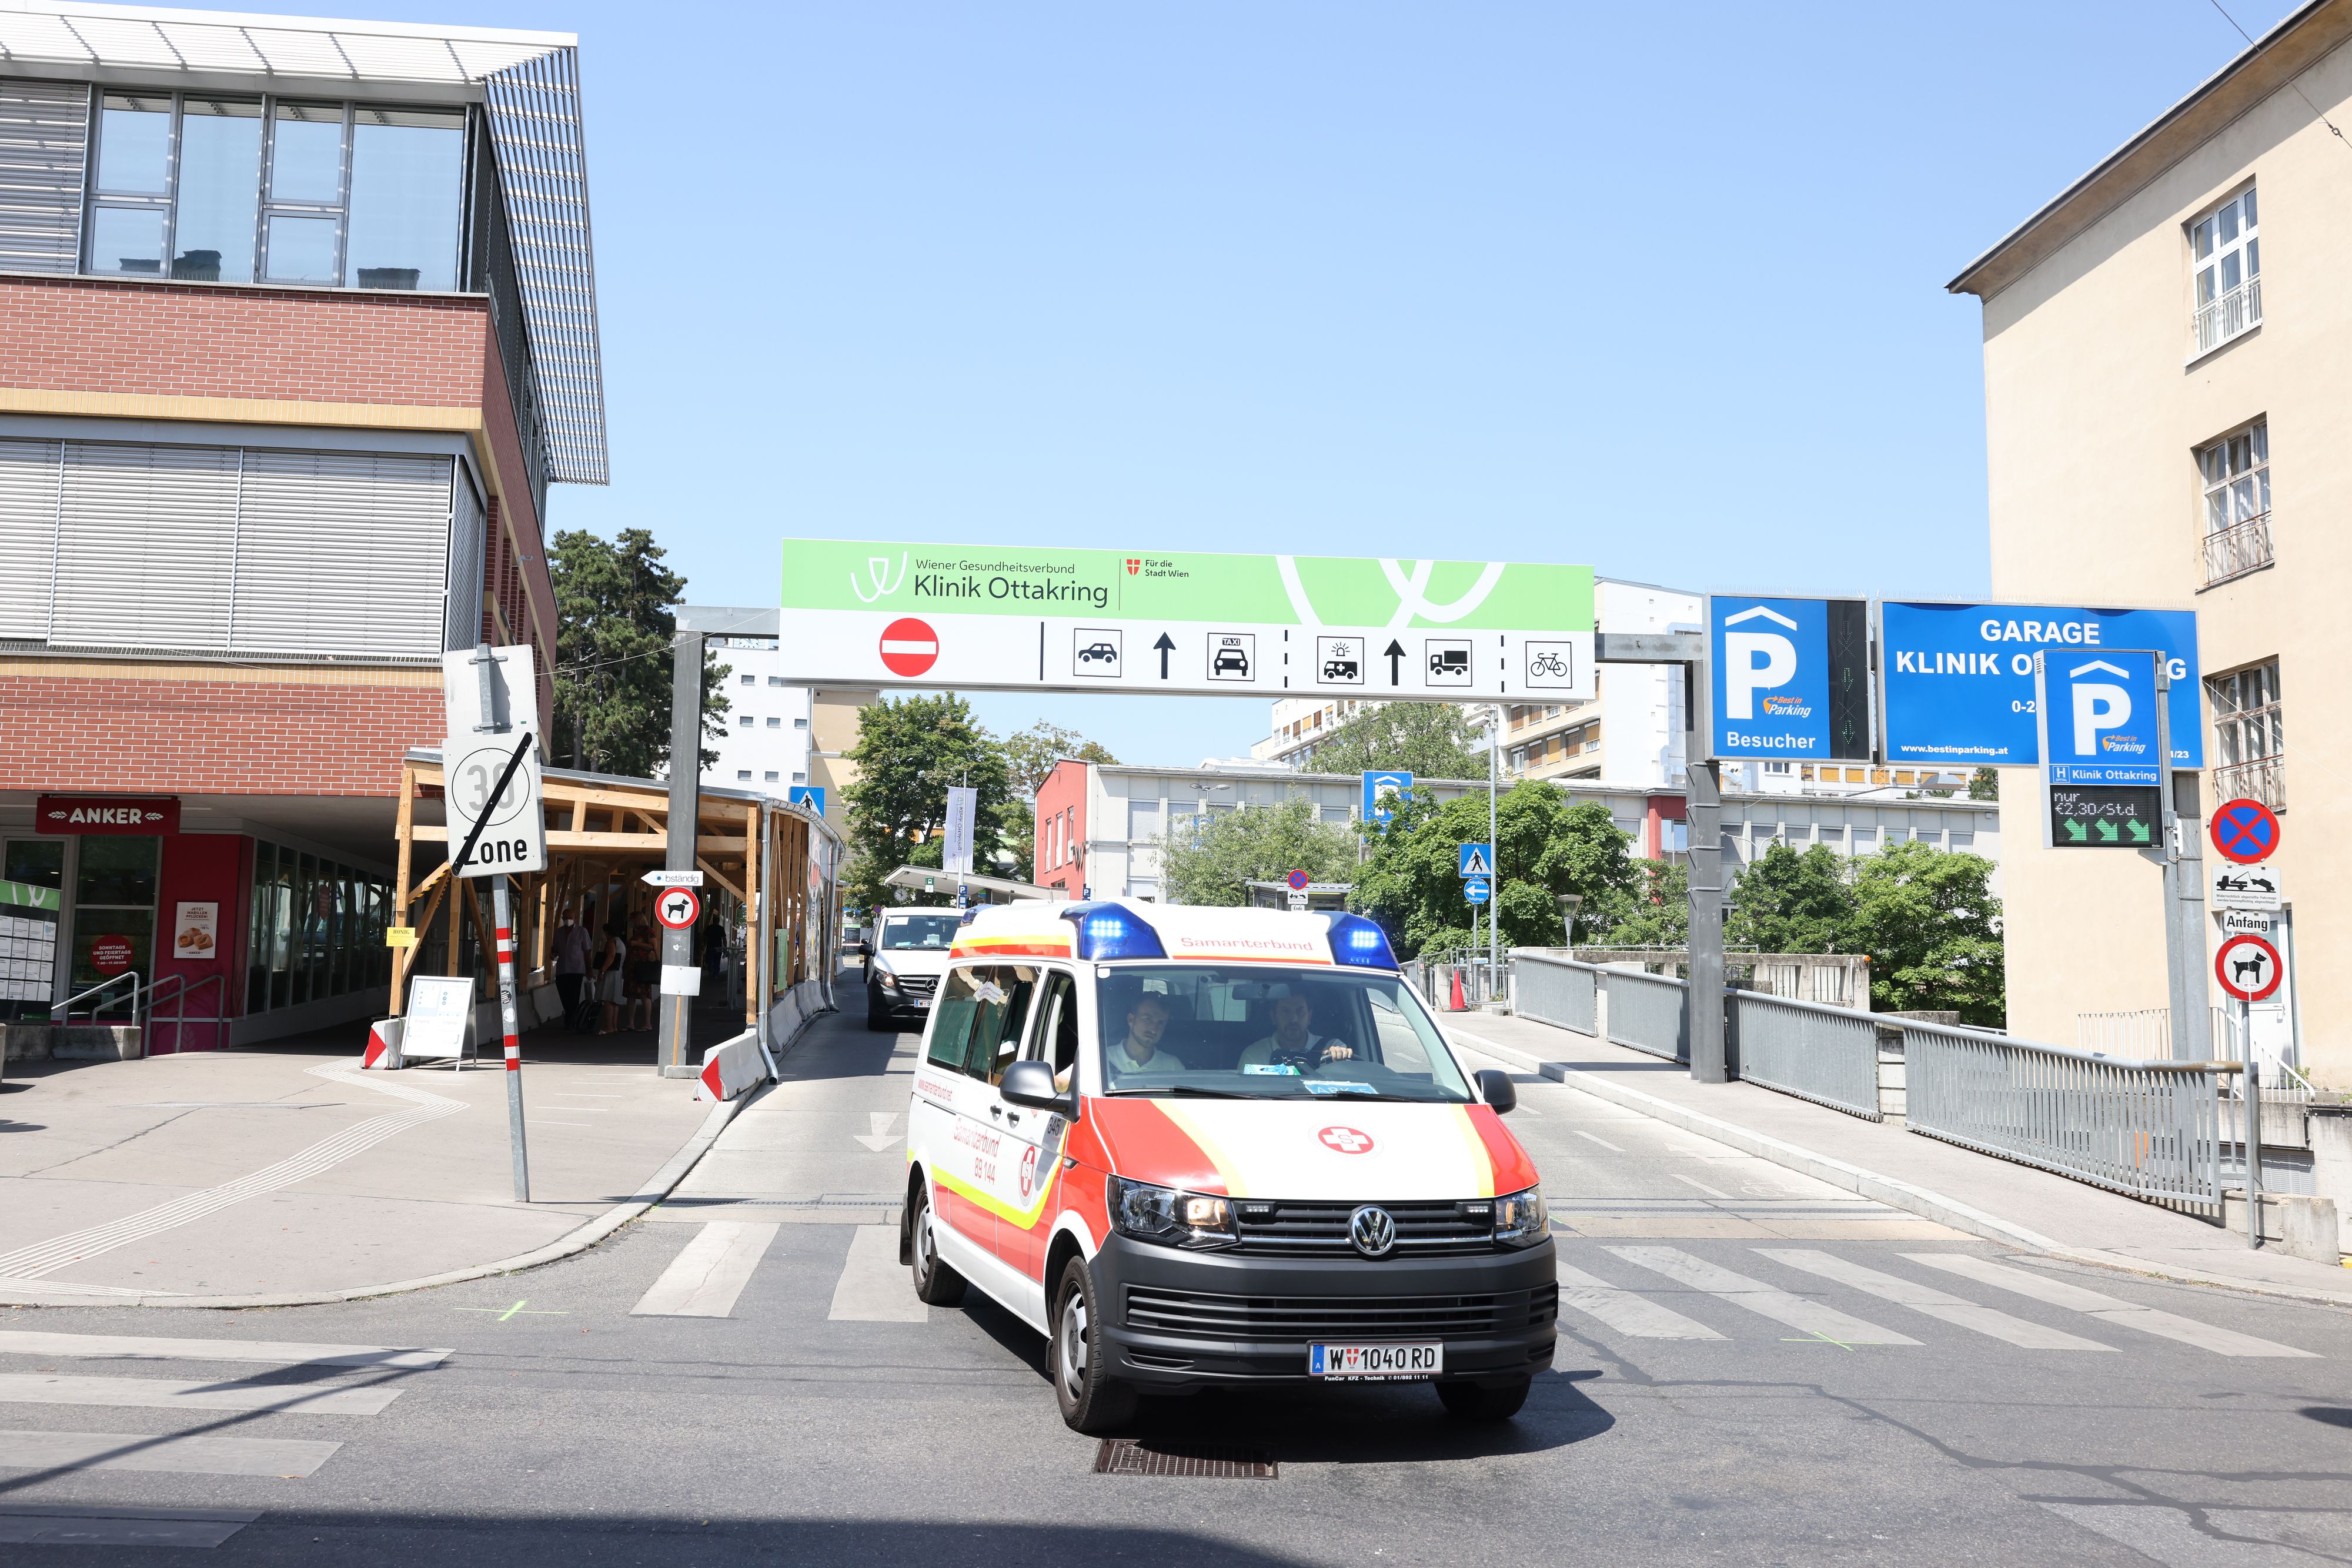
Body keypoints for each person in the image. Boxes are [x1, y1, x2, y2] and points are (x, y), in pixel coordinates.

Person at [1238, 991, 1354, 1071]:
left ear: (1310, 1016)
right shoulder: (1255, 1056)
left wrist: (1339, 1059)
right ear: (1274, 1017)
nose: (1294, 1019)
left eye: (1300, 1011)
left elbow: (1349, 1091)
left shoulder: (1332, 1048)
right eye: (1286, 1011)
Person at [1091, 993, 1185, 1085]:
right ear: (1131, 1020)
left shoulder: (1173, 1067)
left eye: (1161, 1023)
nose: (1154, 1029)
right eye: (1148, 1019)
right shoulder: (1102, 1059)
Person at [551, 905, 592, 1032]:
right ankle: (570, 1017)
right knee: (563, 994)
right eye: (566, 917)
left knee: (574, 996)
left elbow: (587, 952)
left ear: (575, 918)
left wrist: (589, 969)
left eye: (571, 918)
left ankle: (571, 1020)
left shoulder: (582, 932)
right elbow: (555, 949)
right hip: (562, 969)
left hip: (577, 969)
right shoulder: (558, 932)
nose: (569, 919)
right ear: (563, 918)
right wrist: (552, 954)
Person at [626, 916, 659, 1031]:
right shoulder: (637, 932)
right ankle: (630, 1023)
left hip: (642, 967)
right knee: (631, 995)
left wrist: (635, 944)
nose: (630, 924)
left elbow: (653, 947)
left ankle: (647, 1023)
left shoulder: (648, 931)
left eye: (631, 921)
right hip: (632, 967)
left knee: (645, 994)